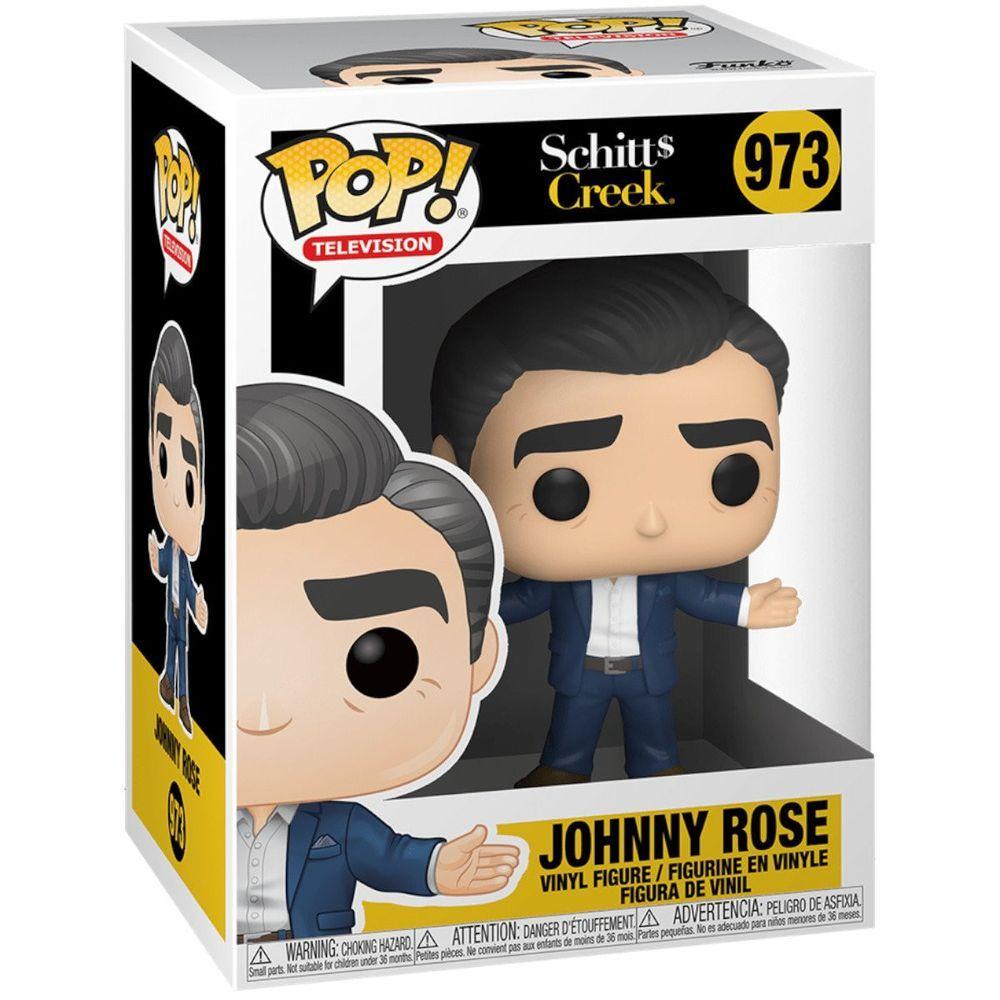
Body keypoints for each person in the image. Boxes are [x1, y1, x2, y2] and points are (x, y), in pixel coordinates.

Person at [430, 254, 801, 787]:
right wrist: (466, 614)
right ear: (454, 473)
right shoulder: (561, 580)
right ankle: (562, 771)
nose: (650, 522)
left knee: (654, 735)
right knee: (571, 731)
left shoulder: (664, 577)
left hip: (649, 672)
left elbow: (699, 595)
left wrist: (747, 607)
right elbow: (522, 601)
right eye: (561, 490)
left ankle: (658, 770)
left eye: (732, 477)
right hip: (580, 673)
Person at [235, 382, 519, 942]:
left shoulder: (339, 825)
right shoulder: (197, 803)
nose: (264, 716)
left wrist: (436, 869)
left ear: (478, 657)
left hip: (314, 959)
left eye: (381, 661)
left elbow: (389, 855)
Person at [148, 322, 208, 737]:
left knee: (181, 653)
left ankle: (182, 699)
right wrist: (156, 560)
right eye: (165, 462)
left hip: (180, 622)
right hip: (171, 619)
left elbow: (185, 587)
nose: (173, 494)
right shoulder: (173, 549)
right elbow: (167, 573)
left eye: (187, 484)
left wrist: (197, 610)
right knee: (172, 651)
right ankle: (170, 687)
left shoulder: (183, 557)